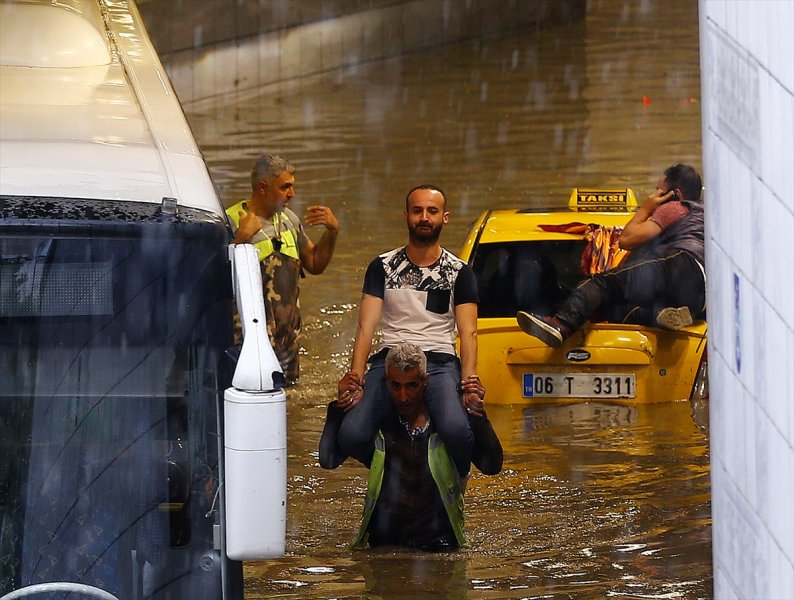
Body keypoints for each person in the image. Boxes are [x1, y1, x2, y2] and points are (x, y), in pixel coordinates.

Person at [335, 184, 480, 476]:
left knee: (456, 430)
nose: (424, 217)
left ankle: (453, 478)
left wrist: (469, 385)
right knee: (351, 434)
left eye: (432, 211)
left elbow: (469, 333)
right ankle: (391, 464)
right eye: (417, 211)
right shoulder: (382, 266)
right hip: (392, 359)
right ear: (406, 217)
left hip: (438, 361)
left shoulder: (460, 272)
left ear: (445, 217)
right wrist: (355, 378)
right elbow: (366, 326)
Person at [319, 343, 503, 551]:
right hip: (383, 545)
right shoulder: (380, 428)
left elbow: (492, 466)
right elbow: (328, 460)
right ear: (386, 382)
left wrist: (477, 412)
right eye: (395, 386)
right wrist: (340, 406)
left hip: (439, 546)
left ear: (426, 382)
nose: (403, 396)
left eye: (411, 385)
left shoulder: (447, 429)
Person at [516, 163, 705, 347]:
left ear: (676, 194)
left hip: (683, 265)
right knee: (610, 308)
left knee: (603, 283)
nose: (652, 196)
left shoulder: (676, 207)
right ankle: (659, 316)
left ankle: (561, 324)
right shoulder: (709, 214)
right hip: (699, 295)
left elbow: (626, 240)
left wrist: (646, 209)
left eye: (658, 191)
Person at [226, 154, 339, 383]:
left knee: (290, 408)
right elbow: (215, 280)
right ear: (262, 187)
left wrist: (332, 232)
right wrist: (241, 239)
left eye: (292, 187)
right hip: (248, 342)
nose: (292, 194)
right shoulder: (231, 220)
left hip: (287, 343)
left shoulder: (288, 220)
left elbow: (316, 263)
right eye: (285, 187)